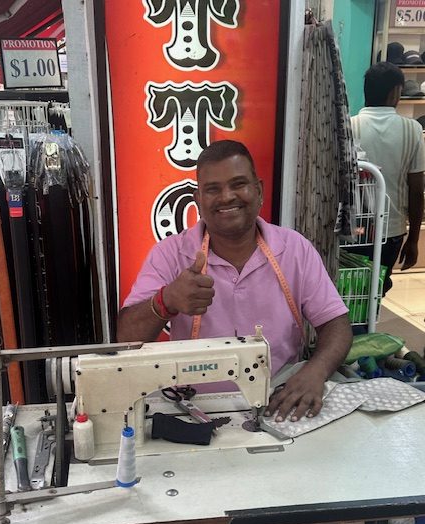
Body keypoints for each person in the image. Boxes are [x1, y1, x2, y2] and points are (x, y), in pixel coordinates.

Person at [118, 139, 352, 422]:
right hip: (192, 410)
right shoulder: (170, 255)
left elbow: (336, 325)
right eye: (213, 189)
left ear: (259, 190)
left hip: (277, 400)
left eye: (238, 184)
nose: (227, 197)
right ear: (198, 200)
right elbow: (125, 339)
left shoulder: (295, 249)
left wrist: (316, 370)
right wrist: (165, 300)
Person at [350, 62, 425, 293]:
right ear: (396, 92)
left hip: (353, 230)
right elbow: (416, 191)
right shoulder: (412, 130)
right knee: (377, 290)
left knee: (350, 290)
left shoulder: (350, 127)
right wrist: (413, 240)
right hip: (391, 231)